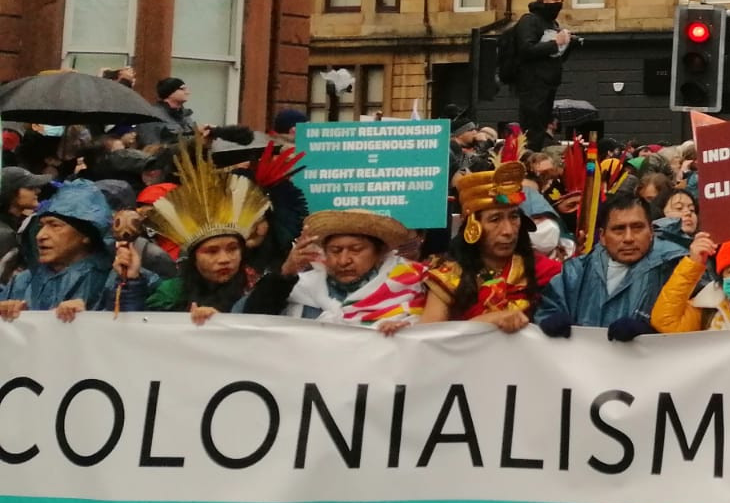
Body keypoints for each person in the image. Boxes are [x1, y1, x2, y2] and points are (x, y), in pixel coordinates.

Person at [420, 166, 561, 329]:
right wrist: (486, 322)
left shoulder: (545, 270)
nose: (508, 231)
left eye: (514, 217)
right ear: (473, 227)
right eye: (495, 219)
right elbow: (429, 335)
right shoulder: (449, 274)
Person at [142, 145, 268, 322]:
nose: (225, 259)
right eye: (211, 251)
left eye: (233, 249)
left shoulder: (257, 288)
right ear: (193, 257)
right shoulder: (171, 292)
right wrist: (128, 282)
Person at [534, 192, 684, 339]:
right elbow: (547, 309)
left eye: (637, 227)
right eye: (618, 229)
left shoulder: (674, 269)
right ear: (603, 236)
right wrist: (550, 320)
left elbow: (694, 327)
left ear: (651, 231)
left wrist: (652, 335)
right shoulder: (576, 272)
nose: (628, 238)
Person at [243, 210, 428, 328]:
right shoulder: (302, 288)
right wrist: (285, 274)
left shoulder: (410, 286)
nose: (344, 260)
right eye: (335, 251)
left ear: (379, 253)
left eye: (356, 250)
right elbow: (248, 324)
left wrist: (406, 334)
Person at [0, 180, 152, 318]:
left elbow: (127, 330)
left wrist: (86, 319)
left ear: (86, 235)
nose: (41, 235)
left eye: (55, 225)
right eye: (41, 226)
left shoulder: (116, 279)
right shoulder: (22, 281)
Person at [505, 0, 573, 145]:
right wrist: (555, 43)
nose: (559, 4)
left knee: (541, 125)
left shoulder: (553, 24)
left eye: (562, 1)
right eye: (556, 0)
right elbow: (526, 49)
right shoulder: (530, 20)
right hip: (532, 81)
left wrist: (568, 45)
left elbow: (556, 57)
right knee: (532, 126)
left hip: (549, 82)